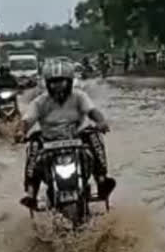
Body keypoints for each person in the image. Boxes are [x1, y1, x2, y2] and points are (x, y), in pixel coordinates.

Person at [18, 61, 115, 210]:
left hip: (77, 139)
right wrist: (21, 132)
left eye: (61, 82)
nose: (58, 86)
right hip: (49, 142)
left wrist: (101, 122)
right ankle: (31, 194)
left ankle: (102, 181)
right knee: (33, 145)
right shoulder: (40, 102)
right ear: (47, 83)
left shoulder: (79, 96)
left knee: (94, 137)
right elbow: (27, 120)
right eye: (53, 82)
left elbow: (92, 111)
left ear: (69, 82)